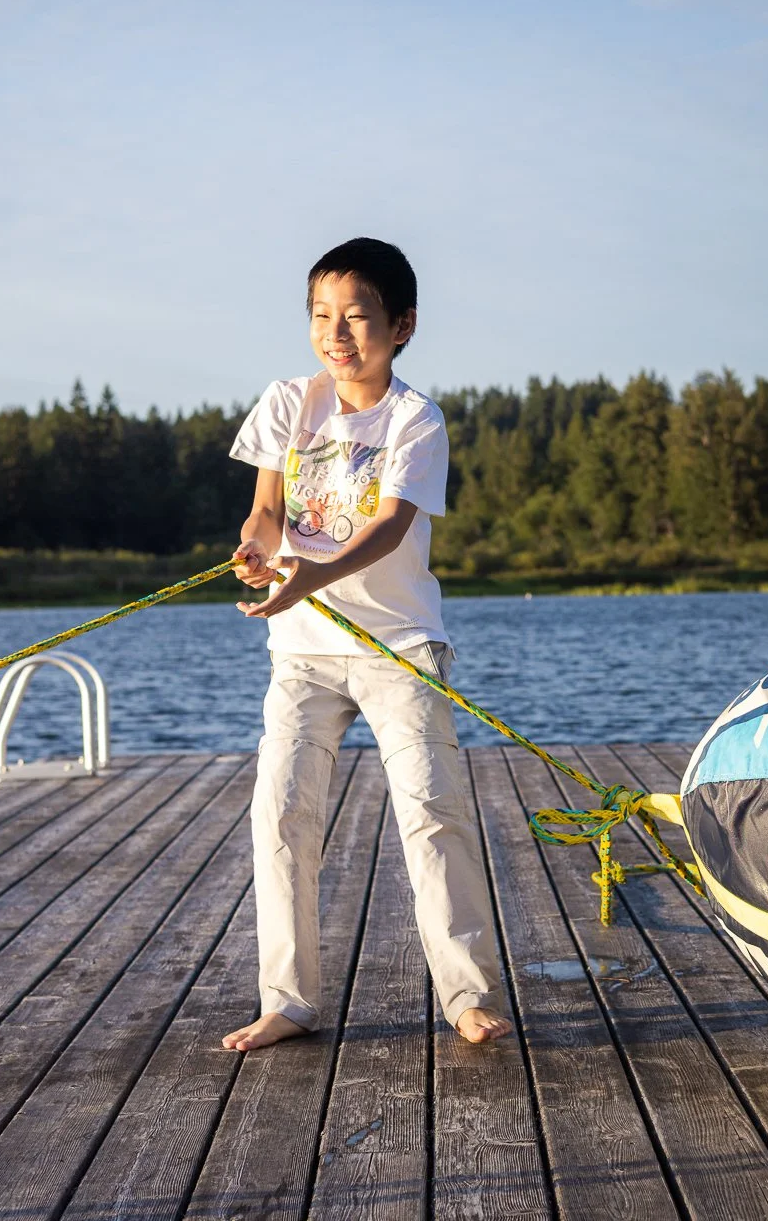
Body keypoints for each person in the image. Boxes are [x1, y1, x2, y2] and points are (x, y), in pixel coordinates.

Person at [221, 237, 513, 1052]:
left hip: (401, 647)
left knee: (430, 811)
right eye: (321, 316)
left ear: (403, 325)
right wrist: (254, 544)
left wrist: (305, 577)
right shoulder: (288, 400)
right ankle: (288, 999)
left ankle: (465, 996)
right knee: (279, 814)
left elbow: (389, 528)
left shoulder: (417, 421)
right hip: (302, 649)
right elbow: (266, 511)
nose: (336, 335)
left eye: (356, 317)